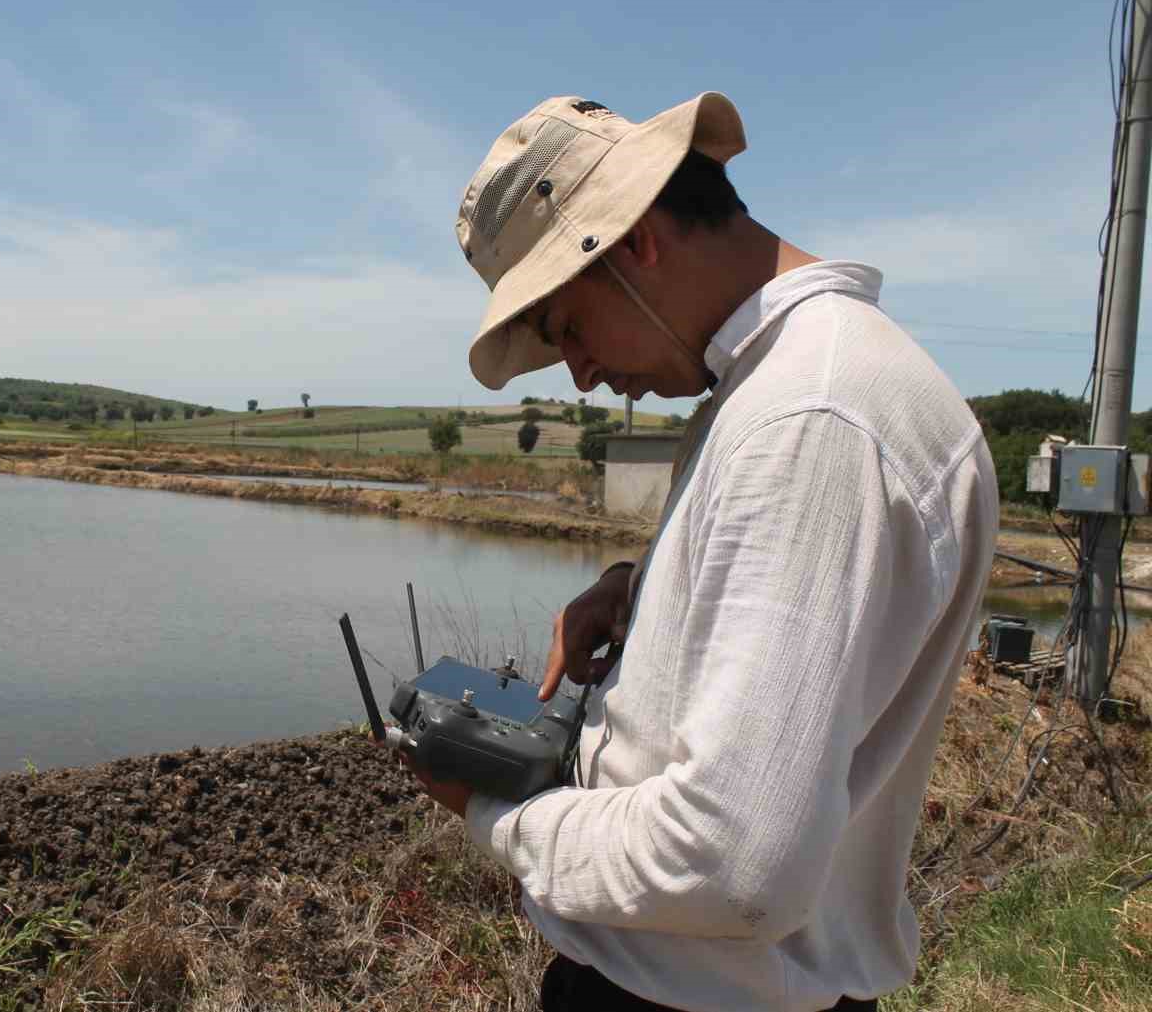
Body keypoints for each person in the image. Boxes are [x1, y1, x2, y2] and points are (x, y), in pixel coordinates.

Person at [404, 94, 998, 1012]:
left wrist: (496, 816)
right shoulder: (798, 384)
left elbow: (733, 863)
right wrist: (641, 589)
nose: (583, 372)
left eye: (566, 327)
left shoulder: (807, 420)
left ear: (634, 239)